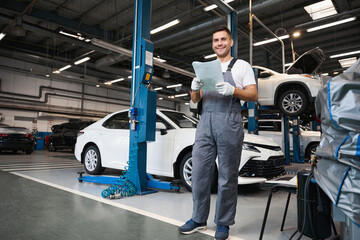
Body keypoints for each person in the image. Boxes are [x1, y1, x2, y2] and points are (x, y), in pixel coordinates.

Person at [178, 25, 258, 240]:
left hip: (229, 122)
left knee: (227, 177)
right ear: (212, 44)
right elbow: (196, 100)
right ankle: (198, 218)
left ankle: (223, 223)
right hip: (205, 122)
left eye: (223, 39)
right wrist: (194, 88)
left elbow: (253, 94)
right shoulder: (206, 67)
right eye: (215, 40)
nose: (219, 43)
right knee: (199, 174)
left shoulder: (241, 66)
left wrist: (233, 90)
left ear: (231, 42)